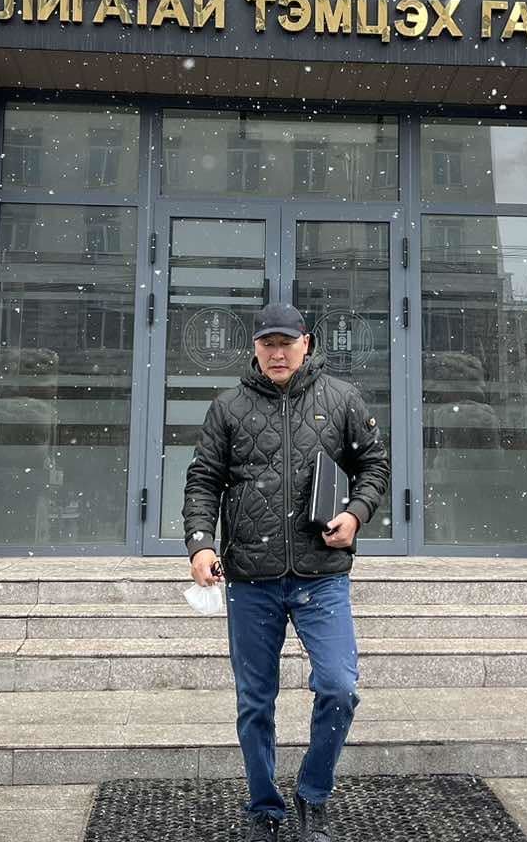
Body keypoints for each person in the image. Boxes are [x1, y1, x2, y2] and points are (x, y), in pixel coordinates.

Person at [183, 302, 390, 842]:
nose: (277, 353)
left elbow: (374, 465)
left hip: (322, 574)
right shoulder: (228, 407)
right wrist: (201, 544)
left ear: (307, 344)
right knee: (255, 701)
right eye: (267, 344)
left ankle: (312, 795)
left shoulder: (341, 399)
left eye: (287, 343)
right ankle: (263, 808)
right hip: (251, 577)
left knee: (340, 687)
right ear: (254, 348)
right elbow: (203, 480)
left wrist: (355, 514)